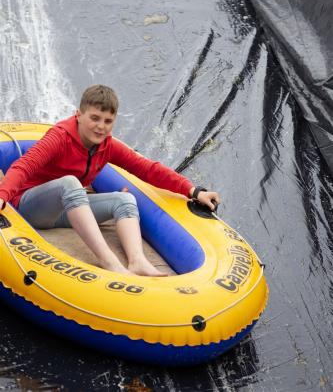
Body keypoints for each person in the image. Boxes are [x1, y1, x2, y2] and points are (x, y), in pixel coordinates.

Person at [0, 85, 220, 276]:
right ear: (78, 115)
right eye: (94, 118)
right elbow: (24, 165)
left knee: (124, 200)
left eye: (108, 121)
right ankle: (109, 262)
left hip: (66, 212)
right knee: (70, 183)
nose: (101, 126)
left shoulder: (107, 146)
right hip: (31, 208)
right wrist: (3, 195)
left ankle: (138, 262)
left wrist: (193, 191)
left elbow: (148, 169)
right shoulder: (59, 138)